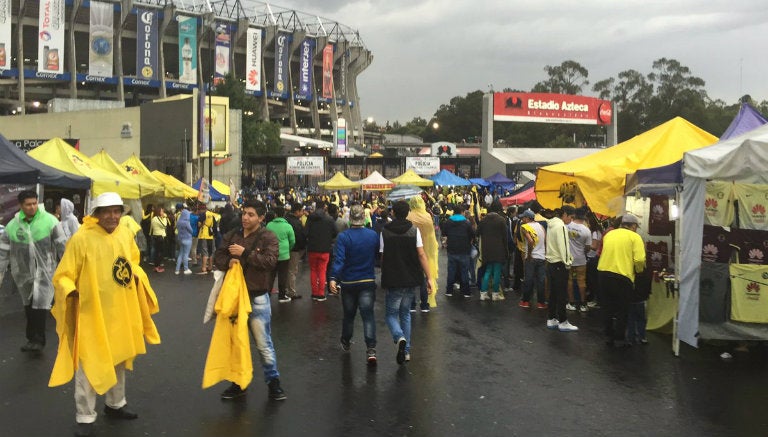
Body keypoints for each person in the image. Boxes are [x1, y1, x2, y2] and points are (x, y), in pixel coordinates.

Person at [49, 192, 161, 437]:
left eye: (117, 211)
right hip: (91, 314)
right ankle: (85, 417)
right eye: (107, 211)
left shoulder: (124, 233)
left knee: (118, 358)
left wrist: (136, 274)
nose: (113, 216)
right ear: (96, 214)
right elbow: (63, 275)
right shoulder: (81, 239)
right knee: (88, 365)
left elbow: (132, 261)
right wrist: (71, 291)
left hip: (119, 311)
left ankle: (115, 404)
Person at [213, 200, 287, 401]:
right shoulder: (232, 234)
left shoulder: (267, 237)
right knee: (236, 343)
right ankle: (238, 382)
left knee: (263, 344)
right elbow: (217, 256)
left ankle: (274, 383)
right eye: (244, 213)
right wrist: (229, 261)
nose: (246, 217)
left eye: (251, 214)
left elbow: (271, 262)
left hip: (257, 297)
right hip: (234, 297)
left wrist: (244, 253)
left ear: (262, 218)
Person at [0, 190, 66, 353]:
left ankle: (38, 340)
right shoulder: (13, 226)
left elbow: (62, 247)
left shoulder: (50, 221)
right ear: (21, 205)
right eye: (28, 204)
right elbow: (3, 252)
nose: (32, 207)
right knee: (28, 306)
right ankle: (31, 338)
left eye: (34, 203)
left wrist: (67, 271)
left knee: (40, 306)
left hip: (44, 272)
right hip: (22, 274)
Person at [380, 201, 433, 364]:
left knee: (390, 314)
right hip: (411, 277)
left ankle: (399, 336)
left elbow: (382, 256)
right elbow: (422, 255)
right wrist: (429, 277)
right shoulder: (413, 230)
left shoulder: (384, 231)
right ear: (407, 213)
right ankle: (407, 350)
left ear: (393, 213)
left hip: (393, 278)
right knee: (405, 314)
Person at [328, 204, 380, 365]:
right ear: (364, 219)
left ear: (350, 219)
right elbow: (377, 255)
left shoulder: (344, 237)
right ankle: (371, 348)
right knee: (368, 315)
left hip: (349, 281)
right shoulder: (372, 235)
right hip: (367, 280)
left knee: (349, 315)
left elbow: (339, 259)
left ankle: (346, 341)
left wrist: (333, 278)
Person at [598, 213, 646, 348]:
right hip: (622, 276)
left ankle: (609, 335)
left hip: (603, 273)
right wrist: (639, 270)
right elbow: (640, 260)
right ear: (633, 226)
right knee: (622, 309)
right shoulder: (635, 237)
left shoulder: (609, 234)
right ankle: (619, 337)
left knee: (607, 307)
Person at [545, 205, 577, 332]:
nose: (571, 220)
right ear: (565, 215)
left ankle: (552, 318)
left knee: (553, 293)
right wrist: (568, 262)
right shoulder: (561, 226)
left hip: (551, 263)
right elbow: (563, 246)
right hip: (560, 263)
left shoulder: (551, 225)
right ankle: (563, 321)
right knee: (561, 294)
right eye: (571, 217)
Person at [407, 195, 439, 312]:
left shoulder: (409, 216)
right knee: (424, 278)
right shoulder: (427, 216)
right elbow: (431, 235)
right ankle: (424, 304)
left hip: (411, 251)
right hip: (426, 251)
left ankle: (412, 305)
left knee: (411, 278)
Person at [305, 200, 337, 301]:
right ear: (324, 207)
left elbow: (305, 232)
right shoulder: (329, 219)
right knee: (322, 271)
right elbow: (335, 232)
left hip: (312, 249)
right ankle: (321, 294)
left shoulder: (310, 218)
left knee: (313, 271)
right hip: (325, 249)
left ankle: (314, 293)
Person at [440, 204, 474, 298]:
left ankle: (449, 291)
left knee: (451, 271)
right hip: (464, 251)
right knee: (464, 271)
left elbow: (444, 233)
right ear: (462, 212)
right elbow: (472, 234)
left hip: (452, 250)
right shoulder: (467, 223)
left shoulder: (448, 222)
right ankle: (466, 292)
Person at [477, 199, 508, 301]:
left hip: (486, 250)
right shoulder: (501, 220)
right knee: (497, 273)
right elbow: (505, 237)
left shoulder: (483, 220)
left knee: (488, 271)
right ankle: (495, 294)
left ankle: (483, 293)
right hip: (499, 250)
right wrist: (506, 251)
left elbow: (477, 233)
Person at [265, 205, 295, 302]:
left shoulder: (269, 225)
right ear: (284, 214)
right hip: (284, 255)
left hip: (271, 254)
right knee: (283, 276)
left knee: (271, 275)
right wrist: (288, 249)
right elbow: (292, 241)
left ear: (275, 214)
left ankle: (267, 294)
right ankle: (282, 296)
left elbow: (265, 238)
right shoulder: (288, 226)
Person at [518, 209, 547, 309]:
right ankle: (541, 302)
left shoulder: (525, 227)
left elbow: (530, 241)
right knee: (541, 280)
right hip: (542, 257)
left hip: (532, 257)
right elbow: (545, 241)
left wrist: (529, 254)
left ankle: (525, 301)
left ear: (527, 218)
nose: (522, 219)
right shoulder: (541, 226)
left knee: (529, 279)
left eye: (523, 217)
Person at [566, 207, 592, 313]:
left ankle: (571, 303)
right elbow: (588, 247)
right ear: (584, 216)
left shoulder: (567, 226)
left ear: (575, 215)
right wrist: (583, 252)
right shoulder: (586, 230)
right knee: (581, 281)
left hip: (569, 258)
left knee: (570, 280)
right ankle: (583, 304)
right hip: (581, 259)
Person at [285, 202, 306, 300]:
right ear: (297, 211)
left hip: (285, 249)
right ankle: (291, 292)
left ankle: (285, 290)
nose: (303, 213)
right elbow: (300, 237)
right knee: (292, 271)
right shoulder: (296, 222)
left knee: (286, 270)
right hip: (294, 249)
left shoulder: (286, 219)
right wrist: (303, 247)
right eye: (301, 211)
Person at [196, 204, 216, 274]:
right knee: (211, 252)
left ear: (202, 209)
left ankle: (204, 268)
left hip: (204, 235)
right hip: (211, 236)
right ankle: (210, 267)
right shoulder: (212, 215)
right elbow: (215, 226)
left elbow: (199, 225)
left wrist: (202, 224)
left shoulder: (202, 215)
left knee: (204, 252)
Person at [175, 204, 194, 275]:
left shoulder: (178, 222)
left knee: (180, 254)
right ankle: (186, 269)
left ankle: (177, 270)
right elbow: (191, 231)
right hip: (187, 239)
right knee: (186, 255)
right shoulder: (186, 222)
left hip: (180, 239)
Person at [149, 206, 168, 273]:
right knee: (160, 253)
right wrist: (165, 217)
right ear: (158, 212)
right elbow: (164, 225)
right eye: (162, 211)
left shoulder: (154, 218)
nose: (163, 212)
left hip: (156, 236)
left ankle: (156, 266)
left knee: (157, 252)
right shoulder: (157, 218)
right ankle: (157, 267)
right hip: (159, 237)